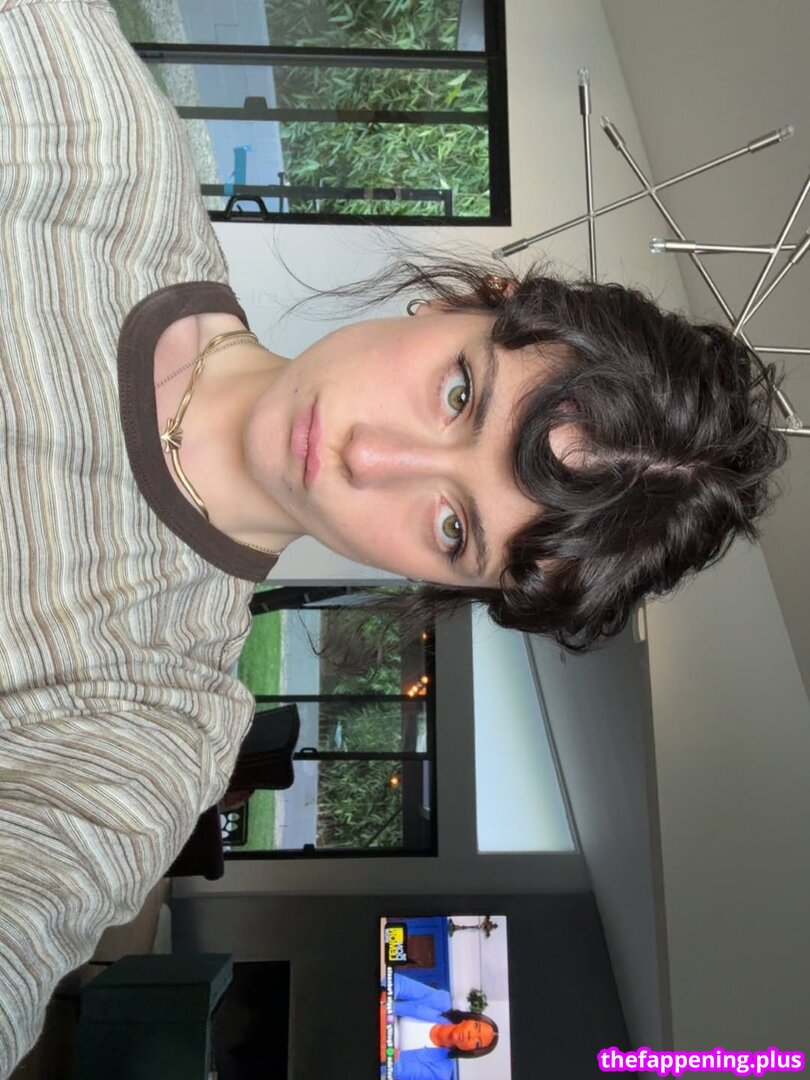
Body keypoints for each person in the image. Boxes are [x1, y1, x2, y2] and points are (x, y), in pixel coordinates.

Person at [0, 1, 788, 1075]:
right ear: (469, 301)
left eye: (454, 527)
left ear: (447, 583)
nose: (370, 458)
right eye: (459, 394)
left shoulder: (154, 716)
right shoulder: (101, 160)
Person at [387, 972, 499, 1079]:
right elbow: (398, 982)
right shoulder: (441, 1001)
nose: (471, 1035)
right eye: (476, 1027)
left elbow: (394, 1069)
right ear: (468, 1019)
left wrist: (387, 1052)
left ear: (472, 1051)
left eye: (477, 1042)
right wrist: (383, 1001)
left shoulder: (441, 1071)